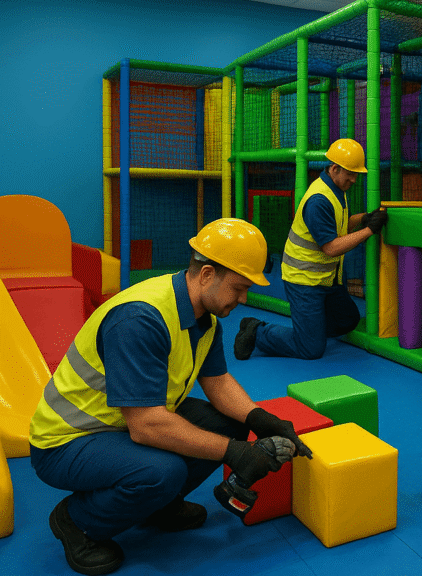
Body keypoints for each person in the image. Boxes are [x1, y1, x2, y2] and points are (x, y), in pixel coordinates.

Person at [30, 219, 313, 575]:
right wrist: (234, 453)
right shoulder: (140, 319)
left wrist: (260, 419)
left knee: (230, 424)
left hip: (121, 422)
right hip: (68, 441)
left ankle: (157, 506)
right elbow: (147, 427)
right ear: (207, 274)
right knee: (162, 472)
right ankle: (77, 521)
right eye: (240, 288)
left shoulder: (204, 317)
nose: (244, 299)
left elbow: (219, 382)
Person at [234, 138, 388, 361]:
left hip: (326, 280)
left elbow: (339, 225)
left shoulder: (336, 188)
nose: (354, 179)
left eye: (356, 174)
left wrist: (364, 218)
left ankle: (310, 330)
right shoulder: (319, 200)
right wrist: (369, 231)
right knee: (311, 349)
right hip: (304, 280)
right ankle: (258, 330)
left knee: (347, 320)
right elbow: (331, 247)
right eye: (350, 174)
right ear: (334, 168)